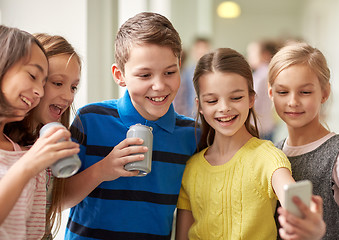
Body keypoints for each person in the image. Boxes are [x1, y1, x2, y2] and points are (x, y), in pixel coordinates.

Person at [63, 12, 199, 239]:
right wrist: (102, 170)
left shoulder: (192, 135)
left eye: (170, 72)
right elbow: (58, 200)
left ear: (180, 66)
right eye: (145, 75)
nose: (159, 85)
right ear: (120, 75)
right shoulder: (90, 120)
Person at [175, 48, 325, 240]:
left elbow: (292, 197)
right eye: (212, 100)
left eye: (236, 97)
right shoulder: (191, 169)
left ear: (251, 99)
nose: (224, 108)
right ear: (200, 106)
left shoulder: (267, 156)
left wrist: (310, 225)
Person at [268, 42, 339, 239]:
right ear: (271, 94)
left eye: (305, 92)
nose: (293, 101)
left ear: (324, 93)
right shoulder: (272, 154)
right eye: (283, 92)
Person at [0, 25, 80, 239]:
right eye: (56, 83)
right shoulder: (25, 157)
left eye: (74, 87)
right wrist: (30, 164)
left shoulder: (20, 149)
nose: (69, 96)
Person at [246, 39, 282, 141]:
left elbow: (253, 102)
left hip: (260, 127)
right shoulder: (268, 72)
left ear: (265, 55)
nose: (249, 57)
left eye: (252, 53)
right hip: (268, 125)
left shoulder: (261, 76)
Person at [173, 37, 211, 118]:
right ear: (193, 51)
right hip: (191, 115)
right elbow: (182, 97)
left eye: (204, 48)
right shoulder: (187, 72)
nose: (201, 51)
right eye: (199, 48)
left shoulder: (214, 72)